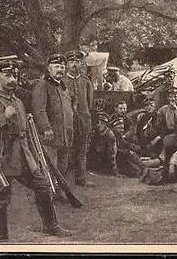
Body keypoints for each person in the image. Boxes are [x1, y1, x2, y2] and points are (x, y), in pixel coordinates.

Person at [0, 60, 72, 242]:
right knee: (2, 196)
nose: (13, 80)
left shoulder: (17, 101)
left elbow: (23, 131)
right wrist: (4, 116)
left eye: (15, 76)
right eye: (8, 76)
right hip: (2, 155)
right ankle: (2, 238)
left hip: (23, 155)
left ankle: (51, 226)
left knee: (42, 186)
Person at [32, 54, 74, 202]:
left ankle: (58, 191)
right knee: (49, 165)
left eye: (62, 67)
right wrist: (45, 128)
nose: (60, 69)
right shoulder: (42, 86)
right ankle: (47, 193)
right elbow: (39, 109)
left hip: (64, 134)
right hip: (50, 134)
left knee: (62, 165)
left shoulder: (62, 87)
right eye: (56, 66)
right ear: (49, 68)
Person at [64, 50, 95, 187]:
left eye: (77, 62)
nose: (74, 65)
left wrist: (85, 116)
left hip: (83, 120)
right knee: (65, 150)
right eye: (71, 62)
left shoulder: (86, 81)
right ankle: (63, 180)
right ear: (67, 65)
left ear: (81, 64)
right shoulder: (62, 81)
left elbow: (90, 102)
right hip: (67, 121)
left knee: (82, 150)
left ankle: (81, 178)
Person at [87, 112, 125, 177]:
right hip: (93, 161)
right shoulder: (93, 132)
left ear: (105, 124)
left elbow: (112, 154)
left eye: (102, 123)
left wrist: (116, 172)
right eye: (98, 123)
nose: (99, 125)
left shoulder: (110, 135)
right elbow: (87, 148)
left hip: (105, 161)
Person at [157, 87, 177, 169]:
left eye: (175, 96)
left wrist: (175, 109)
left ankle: (168, 162)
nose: (173, 99)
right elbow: (157, 115)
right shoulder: (164, 108)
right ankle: (163, 161)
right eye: (171, 96)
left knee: (168, 140)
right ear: (167, 98)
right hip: (167, 131)